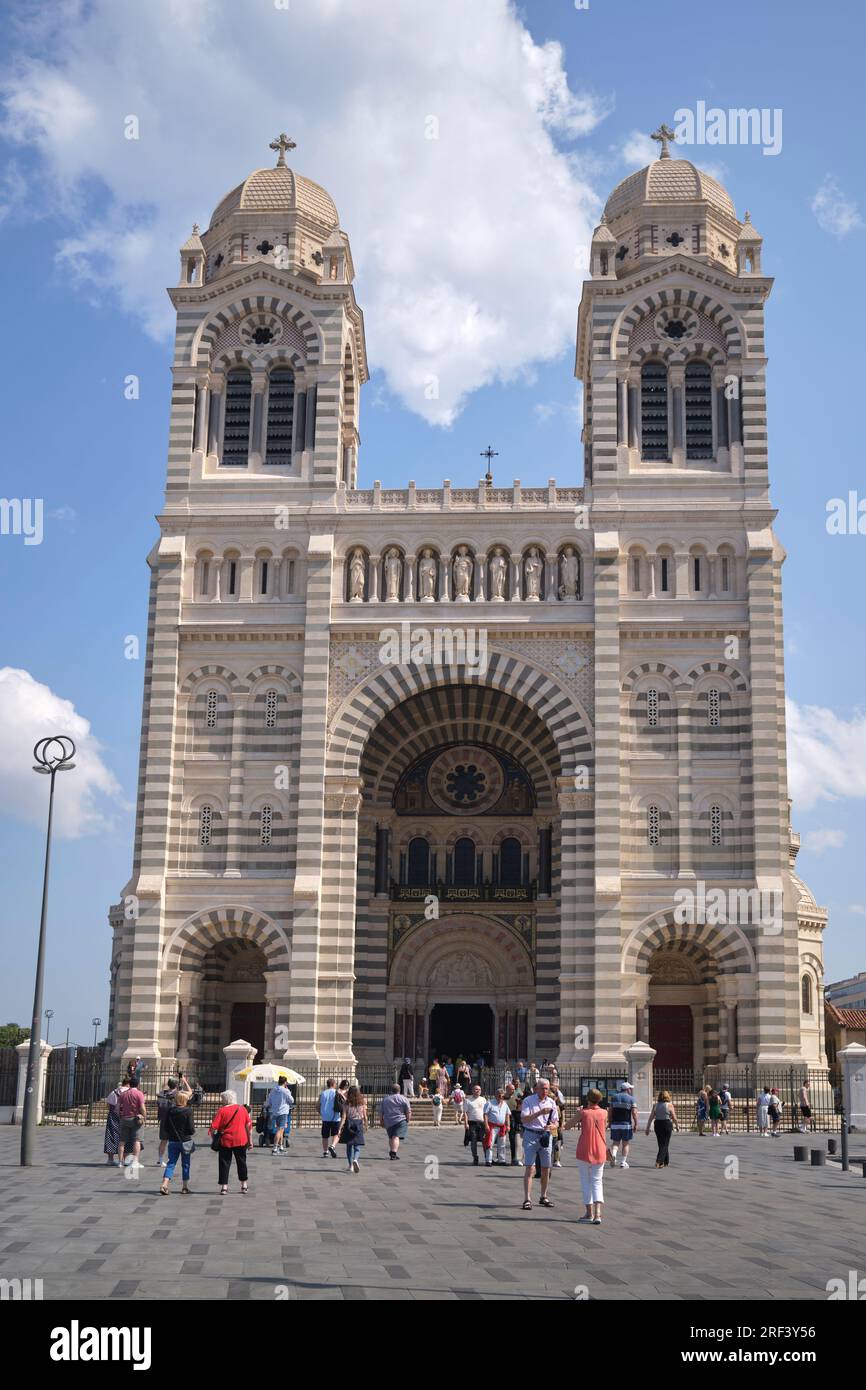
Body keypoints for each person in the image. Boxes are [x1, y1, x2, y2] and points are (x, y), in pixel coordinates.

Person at [565, 1087, 607, 1224]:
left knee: (585, 1181)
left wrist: (579, 1113)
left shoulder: (584, 1113)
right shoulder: (604, 1113)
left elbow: (567, 1126)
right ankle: (598, 1214)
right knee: (597, 1181)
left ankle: (589, 1213)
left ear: (588, 1098)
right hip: (600, 1149)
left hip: (584, 1149)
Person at [519, 1077, 558, 1210]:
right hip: (531, 1135)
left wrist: (552, 1126)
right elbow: (524, 1119)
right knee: (530, 1168)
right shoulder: (528, 1101)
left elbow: (556, 1122)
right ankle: (527, 1199)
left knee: (546, 1168)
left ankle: (543, 1196)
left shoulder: (552, 1102)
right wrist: (540, 1112)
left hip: (545, 1136)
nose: (545, 1091)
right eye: (542, 1088)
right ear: (537, 1088)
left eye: (547, 1088)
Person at [209, 1090, 252, 1195]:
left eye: (222, 1099)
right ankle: (244, 1185)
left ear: (226, 1099)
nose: (221, 1101)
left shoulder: (222, 1110)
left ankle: (224, 1187)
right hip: (241, 1139)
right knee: (241, 1163)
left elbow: (213, 1127)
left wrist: (214, 1137)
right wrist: (250, 1141)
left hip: (225, 1141)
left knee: (224, 1163)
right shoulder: (243, 1109)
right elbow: (248, 1126)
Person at [159, 1092, 195, 1195]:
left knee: (171, 1163)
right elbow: (191, 1129)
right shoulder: (188, 1111)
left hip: (173, 1141)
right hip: (185, 1141)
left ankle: (165, 1184)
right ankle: (184, 1187)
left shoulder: (170, 1111)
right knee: (186, 1164)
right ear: (185, 1100)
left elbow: (165, 1126)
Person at [157, 1074, 192, 1165]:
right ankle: (171, 1159)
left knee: (163, 1140)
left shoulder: (162, 1093)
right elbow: (190, 1092)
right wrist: (184, 1081)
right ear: (176, 1085)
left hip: (164, 1120)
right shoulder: (179, 1094)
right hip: (175, 1120)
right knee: (174, 1141)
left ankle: (160, 1159)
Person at [116, 1076, 147, 1168]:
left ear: (129, 1084)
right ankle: (135, 1161)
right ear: (138, 1084)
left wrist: (120, 1117)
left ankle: (120, 1162)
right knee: (136, 1140)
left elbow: (117, 1108)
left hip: (124, 1119)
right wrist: (144, 1117)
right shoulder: (139, 1093)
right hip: (135, 1119)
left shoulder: (123, 1094)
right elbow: (142, 1108)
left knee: (122, 1141)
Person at [607, 1081, 638, 1169]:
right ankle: (623, 1162)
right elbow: (634, 1113)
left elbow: (610, 1111)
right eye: (630, 1089)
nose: (631, 1090)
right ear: (627, 1089)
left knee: (615, 1142)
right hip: (626, 1124)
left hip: (615, 1124)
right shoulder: (631, 1099)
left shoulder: (614, 1097)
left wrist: (610, 1122)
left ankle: (613, 1155)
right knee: (625, 1144)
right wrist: (636, 1123)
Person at [337, 1084, 367, 1172]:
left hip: (349, 1124)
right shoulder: (362, 1102)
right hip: (358, 1123)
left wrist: (340, 1128)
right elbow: (365, 1116)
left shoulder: (346, 1103)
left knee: (349, 1145)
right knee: (357, 1145)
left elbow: (343, 1117)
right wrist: (366, 1125)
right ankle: (355, 1159)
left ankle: (350, 1166)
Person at [645, 1090, 679, 1168]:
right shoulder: (669, 1105)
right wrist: (677, 1125)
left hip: (657, 1124)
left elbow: (651, 1118)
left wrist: (647, 1128)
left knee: (661, 1144)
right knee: (665, 1144)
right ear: (668, 1097)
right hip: (666, 1124)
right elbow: (674, 1117)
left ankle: (666, 1161)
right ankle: (659, 1161)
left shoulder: (655, 1105)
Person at [379, 1082, 412, 1158]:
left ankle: (392, 1150)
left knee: (391, 1137)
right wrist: (408, 1119)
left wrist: (381, 1121)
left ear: (391, 1090)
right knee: (395, 1137)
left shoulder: (386, 1099)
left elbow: (381, 1112)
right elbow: (408, 1111)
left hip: (388, 1121)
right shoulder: (404, 1099)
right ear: (399, 1090)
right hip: (400, 1120)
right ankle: (393, 1153)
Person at [267, 1076, 295, 1155]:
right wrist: (288, 1090)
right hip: (282, 1112)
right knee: (279, 1130)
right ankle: (275, 1148)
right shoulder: (285, 1091)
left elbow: (269, 1101)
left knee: (281, 1130)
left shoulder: (273, 1090)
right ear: (285, 1082)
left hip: (274, 1111)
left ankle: (281, 1146)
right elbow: (291, 1100)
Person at [483, 1089, 510, 1166]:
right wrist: (486, 1125)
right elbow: (485, 1114)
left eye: (502, 1096)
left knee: (502, 1144)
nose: (501, 1097)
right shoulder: (490, 1103)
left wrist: (508, 1125)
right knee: (490, 1143)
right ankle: (488, 1160)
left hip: (502, 1127)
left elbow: (507, 1115)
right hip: (492, 1126)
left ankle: (502, 1160)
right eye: (499, 1095)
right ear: (496, 1095)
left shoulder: (505, 1104)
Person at [463, 1084, 487, 1165]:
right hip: (472, 1123)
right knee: (473, 1141)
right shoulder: (468, 1100)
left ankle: (487, 1157)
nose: (478, 1091)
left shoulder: (483, 1100)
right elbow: (465, 1113)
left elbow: (486, 1112)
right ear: (472, 1090)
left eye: (479, 1089)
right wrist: (466, 1123)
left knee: (484, 1141)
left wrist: (487, 1123)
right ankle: (475, 1157)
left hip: (482, 1123)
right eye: (476, 1089)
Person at [319, 1078, 340, 1158]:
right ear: (333, 1084)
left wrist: (321, 1113)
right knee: (336, 1133)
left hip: (325, 1117)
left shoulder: (323, 1093)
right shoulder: (336, 1093)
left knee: (325, 1136)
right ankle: (333, 1146)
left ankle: (325, 1152)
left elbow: (318, 1105)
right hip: (335, 1116)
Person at [504, 1083, 523, 1166]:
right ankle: (504, 1158)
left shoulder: (517, 1096)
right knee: (506, 1140)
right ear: (506, 1089)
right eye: (510, 1089)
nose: (512, 1091)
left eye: (513, 1089)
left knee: (516, 1140)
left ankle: (516, 1158)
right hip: (506, 1118)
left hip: (515, 1118)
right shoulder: (503, 1097)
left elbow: (519, 1107)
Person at [103, 1083, 122, 1165]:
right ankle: (124, 1159)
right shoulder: (127, 1092)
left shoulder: (112, 1093)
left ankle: (110, 1159)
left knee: (111, 1135)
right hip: (124, 1115)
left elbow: (107, 1105)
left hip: (113, 1115)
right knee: (125, 1136)